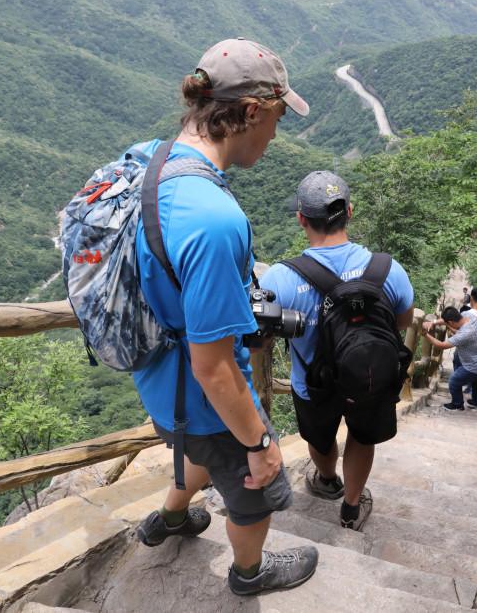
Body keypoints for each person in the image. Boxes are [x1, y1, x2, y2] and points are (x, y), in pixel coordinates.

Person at [129, 38, 318, 596]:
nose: (276, 134)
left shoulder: (152, 157)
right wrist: (260, 445)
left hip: (158, 384)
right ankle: (249, 573)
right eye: (277, 118)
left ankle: (170, 518)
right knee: (255, 491)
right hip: (207, 399)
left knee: (198, 454)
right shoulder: (214, 220)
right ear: (251, 112)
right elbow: (215, 370)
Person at [260, 170, 415, 531]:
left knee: (321, 437)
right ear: (350, 211)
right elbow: (403, 322)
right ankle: (350, 506)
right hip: (369, 377)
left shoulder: (280, 278)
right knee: (361, 438)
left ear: (301, 219)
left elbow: (261, 338)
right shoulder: (387, 269)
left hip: (313, 385)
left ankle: (327, 479)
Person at [422, 306, 477, 411]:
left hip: (475, 366)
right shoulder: (468, 315)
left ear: (451, 322)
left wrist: (425, 334)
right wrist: (434, 322)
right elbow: (449, 322)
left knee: (454, 380)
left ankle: (457, 404)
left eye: (448, 323)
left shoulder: (465, 333)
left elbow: (442, 345)